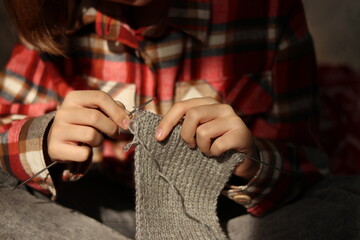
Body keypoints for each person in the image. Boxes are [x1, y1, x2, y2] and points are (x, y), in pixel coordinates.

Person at [1, 0, 347, 239]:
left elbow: (307, 171)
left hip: (223, 220)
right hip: (97, 220)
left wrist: (250, 161)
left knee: (346, 204)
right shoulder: (53, 15)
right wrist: (43, 140)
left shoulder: (267, 11)